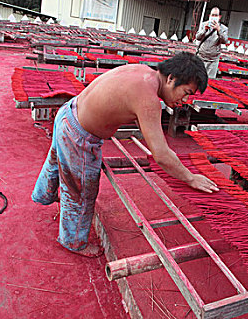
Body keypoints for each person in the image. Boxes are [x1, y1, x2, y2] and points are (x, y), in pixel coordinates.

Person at [32, 52, 219, 257]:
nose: (184, 100)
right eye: (186, 92)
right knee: (82, 190)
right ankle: (73, 241)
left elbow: (140, 118)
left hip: (68, 114)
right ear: (171, 78)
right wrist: (190, 178)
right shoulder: (148, 99)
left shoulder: (144, 73)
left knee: (55, 161)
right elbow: (161, 155)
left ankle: (44, 194)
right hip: (79, 135)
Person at [195, 7, 229, 79]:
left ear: (219, 17)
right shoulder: (204, 25)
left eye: (216, 15)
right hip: (201, 57)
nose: (214, 17)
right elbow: (197, 37)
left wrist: (219, 30)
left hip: (213, 60)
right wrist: (204, 30)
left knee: (209, 80)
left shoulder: (223, 28)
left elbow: (225, 41)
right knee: (197, 78)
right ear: (209, 16)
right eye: (212, 15)